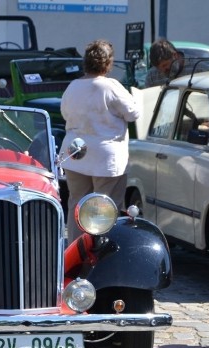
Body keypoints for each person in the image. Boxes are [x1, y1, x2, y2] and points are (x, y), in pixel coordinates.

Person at [60, 39, 140, 240]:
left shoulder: (73, 86)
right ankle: (102, 254)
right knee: (106, 208)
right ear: (108, 64)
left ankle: (76, 256)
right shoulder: (111, 86)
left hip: (76, 152)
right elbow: (133, 113)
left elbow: (64, 113)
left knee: (76, 204)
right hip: (106, 156)